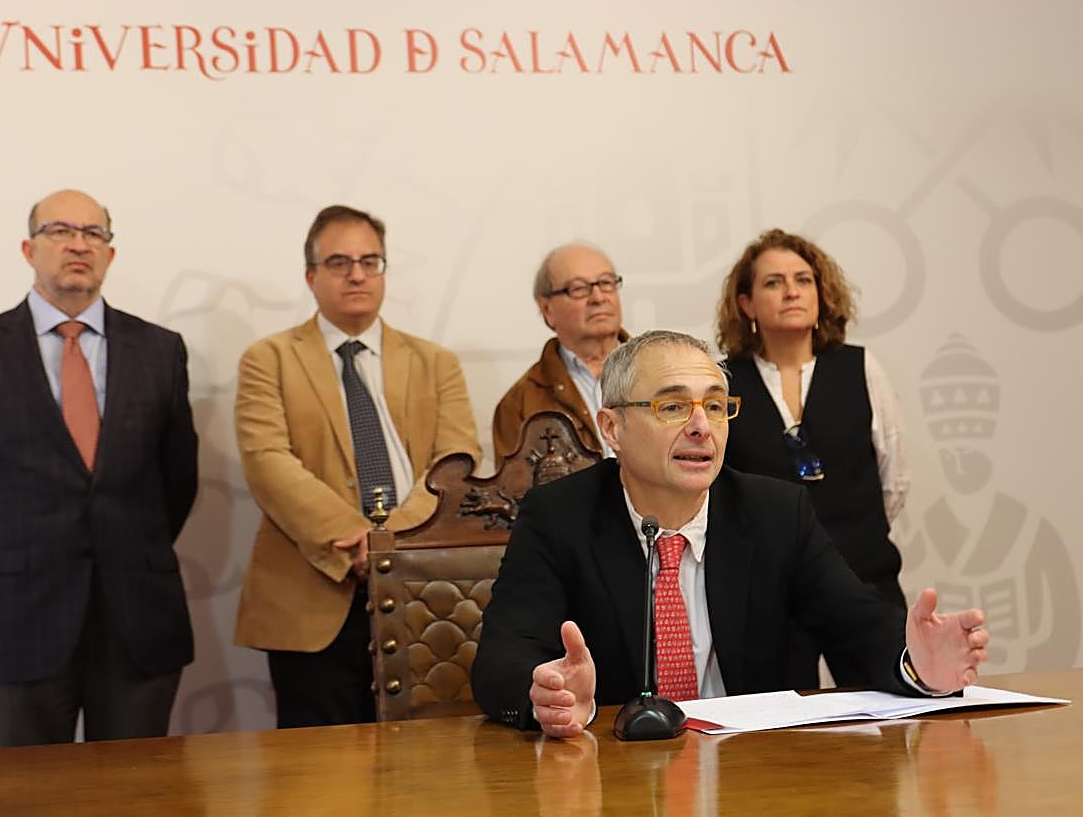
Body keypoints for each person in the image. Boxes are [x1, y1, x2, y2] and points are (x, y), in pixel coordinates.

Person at [472, 330, 988, 737]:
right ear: (612, 429)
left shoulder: (774, 510)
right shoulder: (559, 515)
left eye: (716, 406)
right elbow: (502, 658)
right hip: (614, 777)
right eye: (673, 407)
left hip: (754, 773)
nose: (701, 426)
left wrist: (917, 664)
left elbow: (856, 622)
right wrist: (551, 696)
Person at [0, 189, 199, 748]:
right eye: (60, 231)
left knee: (136, 798)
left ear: (110, 255)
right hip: (17, 619)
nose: (78, 245)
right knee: (25, 800)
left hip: (137, 621)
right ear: (29, 248)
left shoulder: (160, 350)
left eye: (94, 234)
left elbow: (177, 481)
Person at [234, 204, 481, 728]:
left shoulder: (436, 362)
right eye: (340, 261)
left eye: (371, 261)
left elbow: (455, 461)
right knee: (314, 783)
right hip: (312, 591)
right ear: (311, 275)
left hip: (420, 592)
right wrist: (354, 539)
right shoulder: (269, 359)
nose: (357, 274)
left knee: (424, 775)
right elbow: (267, 460)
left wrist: (390, 541)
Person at [715, 228, 908, 688]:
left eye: (803, 280)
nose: (791, 292)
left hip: (863, 576)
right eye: (773, 282)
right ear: (746, 304)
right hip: (766, 588)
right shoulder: (722, 379)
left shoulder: (860, 366)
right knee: (778, 737)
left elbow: (893, 479)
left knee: (895, 715)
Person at [492, 242, 626, 461]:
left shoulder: (658, 372)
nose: (599, 298)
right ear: (547, 309)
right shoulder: (520, 403)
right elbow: (517, 491)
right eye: (579, 288)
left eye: (606, 283)